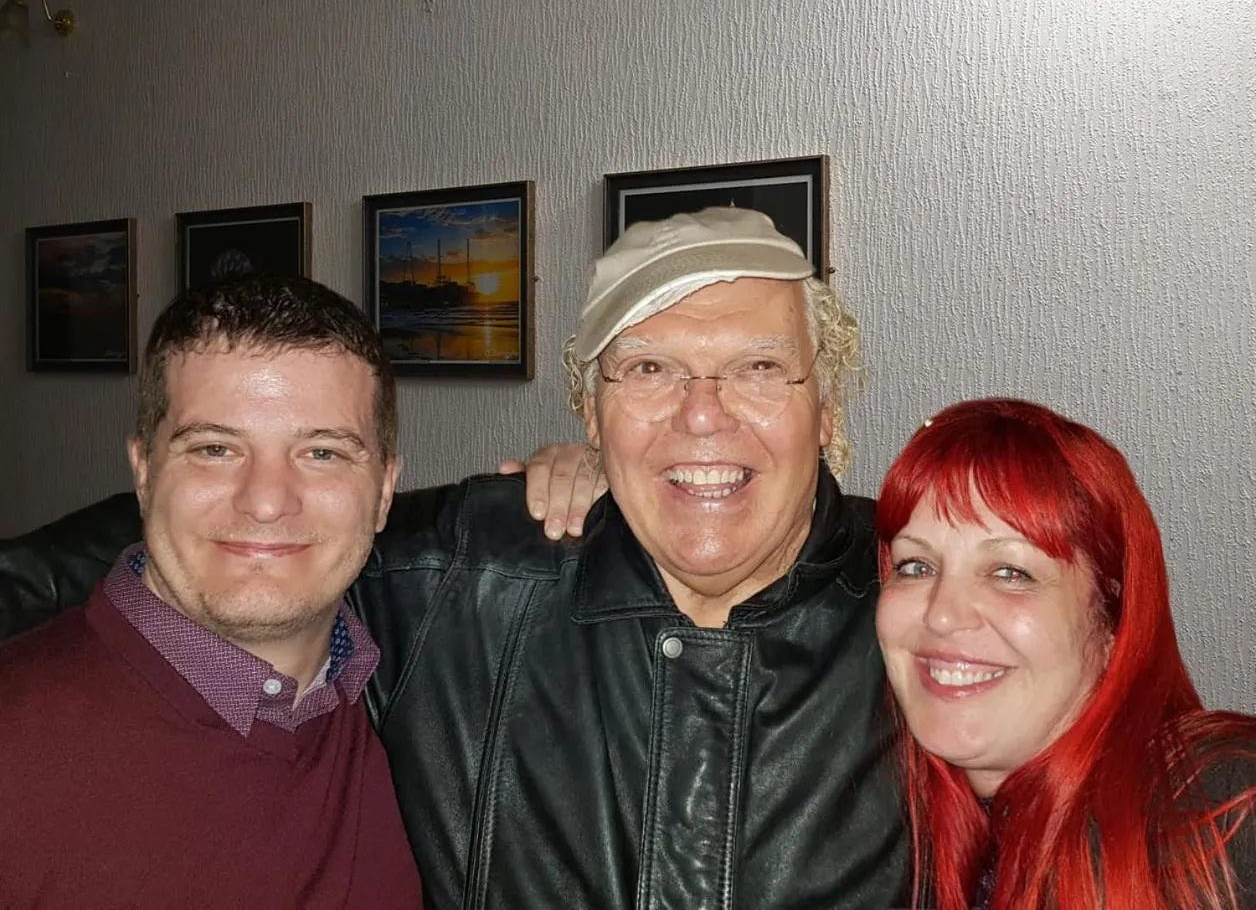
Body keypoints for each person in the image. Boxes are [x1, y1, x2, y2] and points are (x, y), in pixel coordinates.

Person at [0, 208, 909, 909]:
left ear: (828, 408)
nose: (702, 411)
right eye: (648, 370)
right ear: (590, 415)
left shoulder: (933, 611)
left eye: (759, 367)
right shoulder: (462, 578)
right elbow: (243, 554)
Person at [0, 275, 425, 907]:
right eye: (216, 448)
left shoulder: (433, 698)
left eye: (323, 453)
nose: (265, 501)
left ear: (386, 487)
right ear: (144, 471)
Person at [874, 398, 1256, 909]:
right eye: (916, 566)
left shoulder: (1221, 808)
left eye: (1011, 572)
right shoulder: (897, 838)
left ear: (1111, 621)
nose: (943, 614)